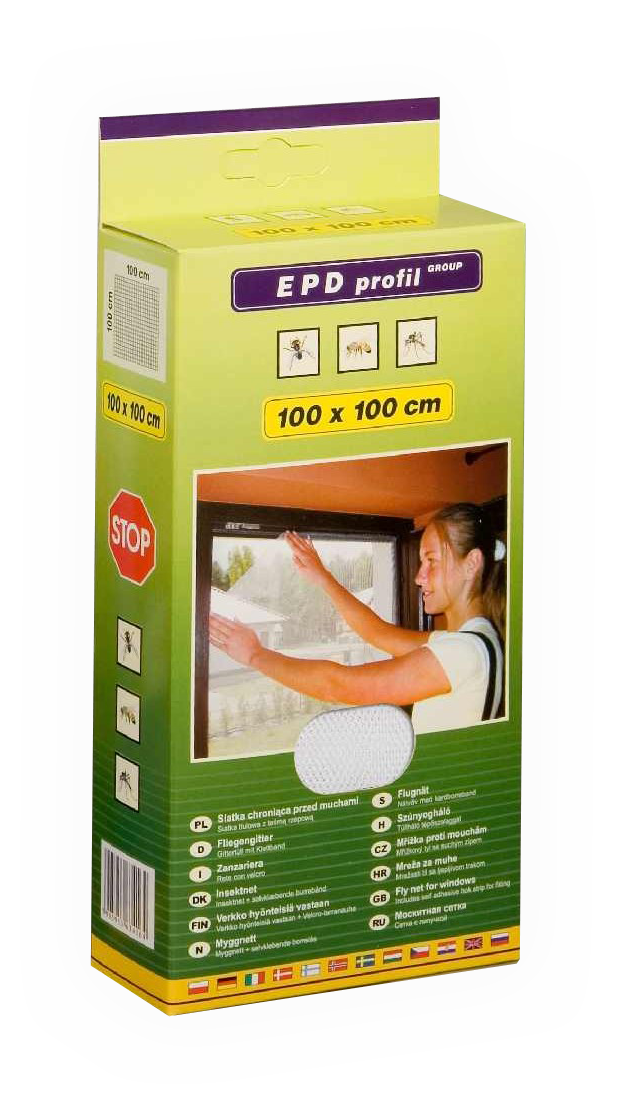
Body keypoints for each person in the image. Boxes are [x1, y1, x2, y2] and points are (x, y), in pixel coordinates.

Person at [208, 503, 506, 734]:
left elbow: (338, 685)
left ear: (472, 564)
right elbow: (377, 633)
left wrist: (255, 655)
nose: (418, 577)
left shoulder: (461, 652)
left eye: (432, 561)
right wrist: (324, 578)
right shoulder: (474, 640)